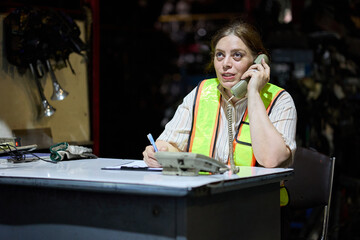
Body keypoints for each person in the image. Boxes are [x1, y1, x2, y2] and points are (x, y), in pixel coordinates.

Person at [143, 19, 297, 171]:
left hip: (255, 194)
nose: (225, 64)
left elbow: (271, 160)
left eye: (237, 55)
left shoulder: (280, 100)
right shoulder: (201, 92)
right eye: (220, 55)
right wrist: (161, 152)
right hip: (205, 192)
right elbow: (173, 146)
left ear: (258, 61)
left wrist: (253, 92)